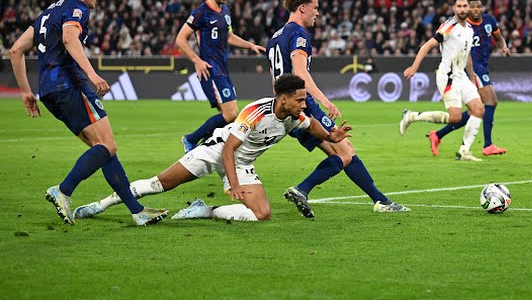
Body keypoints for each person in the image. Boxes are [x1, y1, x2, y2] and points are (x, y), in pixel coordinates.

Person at [6, 0, 168, 226]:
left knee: (103, 149)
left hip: (48, 90)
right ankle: (63, 190)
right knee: (107, 146)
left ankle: (137, 211)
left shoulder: (48, 13)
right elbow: (70, 39)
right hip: (70, 84)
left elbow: (15, 51)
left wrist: (26, 91)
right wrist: (92, 75)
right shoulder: (77, 8)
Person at [73, 74, 351, 222]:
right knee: (159, 184)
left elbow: (312, 125)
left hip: (243, 164)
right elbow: (229, 148)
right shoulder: (256, 112)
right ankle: (101, 205)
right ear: (283, 99)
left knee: (262, 215)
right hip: (216, 151)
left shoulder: (294, 116)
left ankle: (203, 210)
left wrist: (331, 135)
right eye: (300, 100)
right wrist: (233, 184)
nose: (304, 104)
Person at [266, 0, 409, 217]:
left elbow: (275, 80)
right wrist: (324, 101)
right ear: (302, 8)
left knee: (341, 153)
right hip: (303, 105)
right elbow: (300, 74)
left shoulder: (275, 37)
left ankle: (379, 199)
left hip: (285, 107)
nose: (318, 13)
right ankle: (304, 189)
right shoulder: (299, 34)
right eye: (315, 8)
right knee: (345, 152)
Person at [176, 0, 265, 152]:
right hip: (210, 69)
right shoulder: (201, 12)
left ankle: (202, 148)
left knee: (228, 115)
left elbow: (229, 37)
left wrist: (250, 45)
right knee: (231, 114)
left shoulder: (225, 11)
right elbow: (180, 39)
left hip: (223, 69)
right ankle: (190, 139)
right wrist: (197, 60)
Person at [400, 0, 486, 161]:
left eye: (465, 6)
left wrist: (472, 77)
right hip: (448, 76)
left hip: (462, 76)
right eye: (459, 6)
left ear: (468, 8)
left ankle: (464, 151)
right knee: (455, 118)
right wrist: (414, 67)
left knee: (478, 109)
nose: (462, 9)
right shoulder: (448, 26)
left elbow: (467, 56)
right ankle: (411, 116)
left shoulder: (469, 29)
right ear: (454, 8)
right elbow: (427, 45)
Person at [427, 0, 510, 157]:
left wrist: (504, 47)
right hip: (471, 67)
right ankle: (488, 145)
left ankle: (437, 135)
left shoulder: (489, 21)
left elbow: (498, 37)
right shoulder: (463, 26)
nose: (475, 9)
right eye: (472, 7)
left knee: (475, 110)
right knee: (491, 101)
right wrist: (470, 74)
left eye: (478, 6)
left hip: (483, 66)